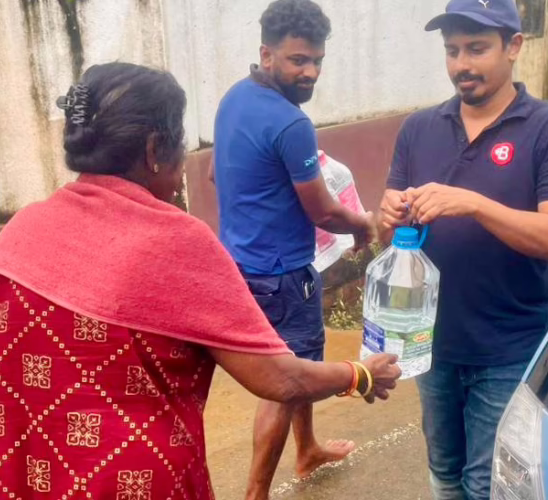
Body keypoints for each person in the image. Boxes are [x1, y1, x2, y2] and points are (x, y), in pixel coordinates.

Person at [0, 61, 400, 500]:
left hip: (7, 476)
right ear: (154, 150)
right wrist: (359, 374)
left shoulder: (21, 229)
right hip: (128, 484)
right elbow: (278, 379)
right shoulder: (176, 241)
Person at [378, 1, 548, 499]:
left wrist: (475, 204)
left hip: (506, 349)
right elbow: (393, 237)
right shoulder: (419, 129)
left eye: (476, 49)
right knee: (445, 475)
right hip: (430, 345)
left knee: (488, 484)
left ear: (514, 47)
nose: (461, 65)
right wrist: (384, 217)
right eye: (452, 51)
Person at [210, 1, 376, 498]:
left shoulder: (233, 99)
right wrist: (364, 225)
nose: (310, 72)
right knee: (286, 385)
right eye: (297, 60)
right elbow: (323, 211)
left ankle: (306, 449)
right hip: (283, 275)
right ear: (267, 53)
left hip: (239, 262)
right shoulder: (290, 123)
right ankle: (257, 492)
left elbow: (220, 174)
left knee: (301, 368)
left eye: (317, 60)